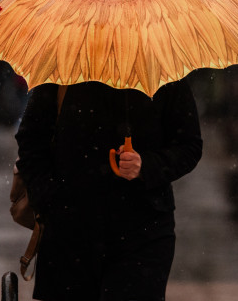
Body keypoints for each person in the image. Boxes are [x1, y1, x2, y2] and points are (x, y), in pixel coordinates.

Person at [15, 80, 203, 301]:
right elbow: (31, 140)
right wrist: (49, 198)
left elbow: (189, 146)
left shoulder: (162, 71)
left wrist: (145, 166)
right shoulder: (65, 67)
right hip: (69, 233)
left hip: (142, 232)